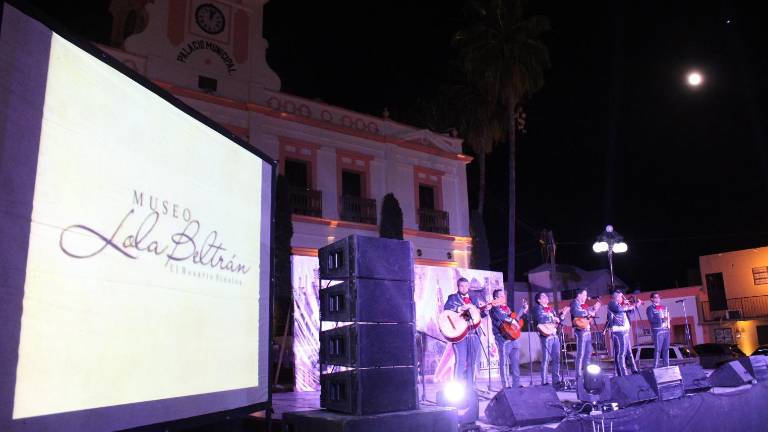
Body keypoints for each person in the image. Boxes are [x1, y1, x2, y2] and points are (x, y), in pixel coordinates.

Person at [443, 277, 485, 385]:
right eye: (462, 286)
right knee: (461, 361)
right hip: (460, 334)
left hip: (474, 334)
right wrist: (459, 309)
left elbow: (479, 315)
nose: (464, 288)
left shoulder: (474, 299)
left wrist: (486, 310)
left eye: (466, 286)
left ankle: (471, 388)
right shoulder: (453, 298)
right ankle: (457, 388)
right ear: (458, 286)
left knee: (472, 362)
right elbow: (446, 308)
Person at [489, 289, 528, 388]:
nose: (504, 297)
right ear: (496, 298)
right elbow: (503, 318)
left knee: (515, 363)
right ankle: (506, 386)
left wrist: (522, 310)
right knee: (504, 363)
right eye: (501, 295)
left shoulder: (507, 309)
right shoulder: (494, 308)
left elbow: (515, 320)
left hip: (513, 337)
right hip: (503, 338)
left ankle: (516, 384)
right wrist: (512, 321)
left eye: (504, 295)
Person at [607, 290, 642, 376]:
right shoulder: (612, 303)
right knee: (621, 354)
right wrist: (631, 306)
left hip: (625, 332)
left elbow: (629, 313)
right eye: (621, 296)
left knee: (629, 353)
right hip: (618, 332)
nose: (623, 298)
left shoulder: (621, 305)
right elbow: (619, 309)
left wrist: (636, 306)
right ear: (617, 297)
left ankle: (634, 370)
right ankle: (623, 374)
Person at [533, 292, 561, 386]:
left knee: (556, 358)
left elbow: (557, 322)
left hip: (554, 334)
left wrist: (561, 317)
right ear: (539, 300)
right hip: (546, 336)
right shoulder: (537, 308)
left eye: (546, 296)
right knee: (546, 359)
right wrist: (553, 319)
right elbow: (540, 319)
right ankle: (544, 381)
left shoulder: (551, 309)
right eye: (543, 296)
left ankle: (556, 380)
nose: (546, 297)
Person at [570, 289, 599, 377]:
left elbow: (587, 319)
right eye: (584, 295)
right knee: (581, 353)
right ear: (579, 295)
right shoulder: (574, 303)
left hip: (587, 330)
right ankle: (578, 374)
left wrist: (594, 310)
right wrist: (588, 312)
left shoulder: (584, 305)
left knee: (588, 352)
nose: (586, 297)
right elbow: (576, 312)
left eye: (586, 295)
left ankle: (587, 373)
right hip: (580, 331)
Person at [647, 292, 671, 368]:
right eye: (656, 297)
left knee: (666, 349)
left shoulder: (664, 307)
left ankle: (666, 366)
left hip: (666, 330)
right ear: (652, 299)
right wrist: (661, 320)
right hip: (658, 331)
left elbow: (667, 316)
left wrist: (668, 319)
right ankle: (656, 367)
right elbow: (651, 320)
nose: (658, 298)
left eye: (659, 297)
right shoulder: (650, 308)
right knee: (658, 350)